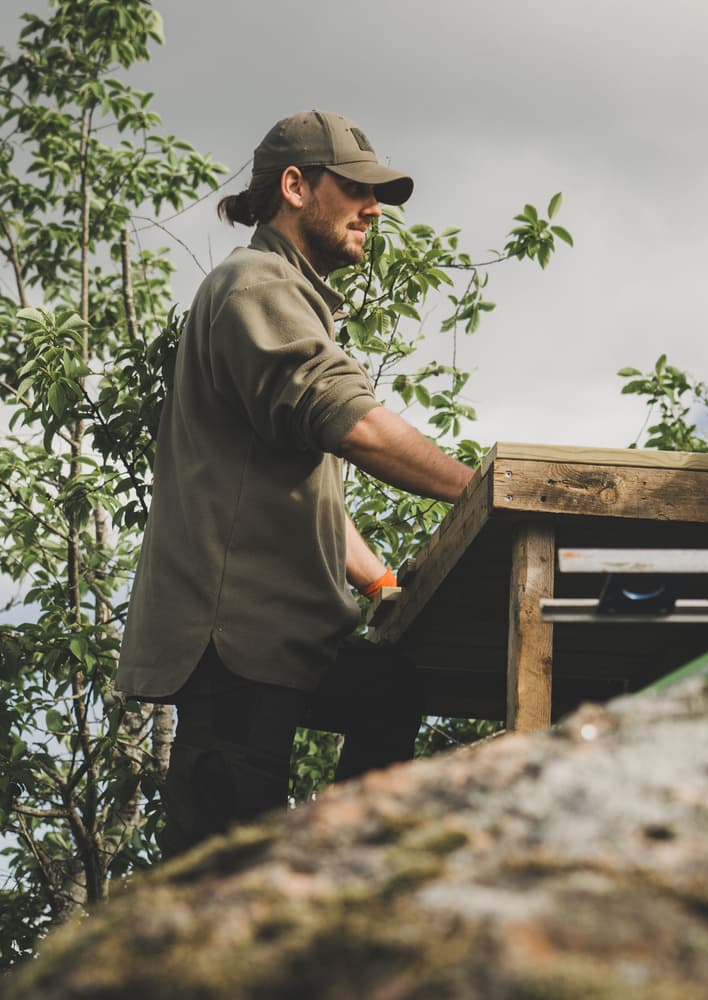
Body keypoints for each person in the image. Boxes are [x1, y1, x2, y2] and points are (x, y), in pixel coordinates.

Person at [116, 110, 474, 857]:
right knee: (223, 897)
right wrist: (491, 491)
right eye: (355, 190)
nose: (373, 209)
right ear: (294, 187)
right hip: (237, 649)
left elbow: (294, 488)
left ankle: (334, 876)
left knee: (391, 689)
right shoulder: (255, 285)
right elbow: (353, 424)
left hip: (280, 644)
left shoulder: (283, 293)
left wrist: (380, 583)